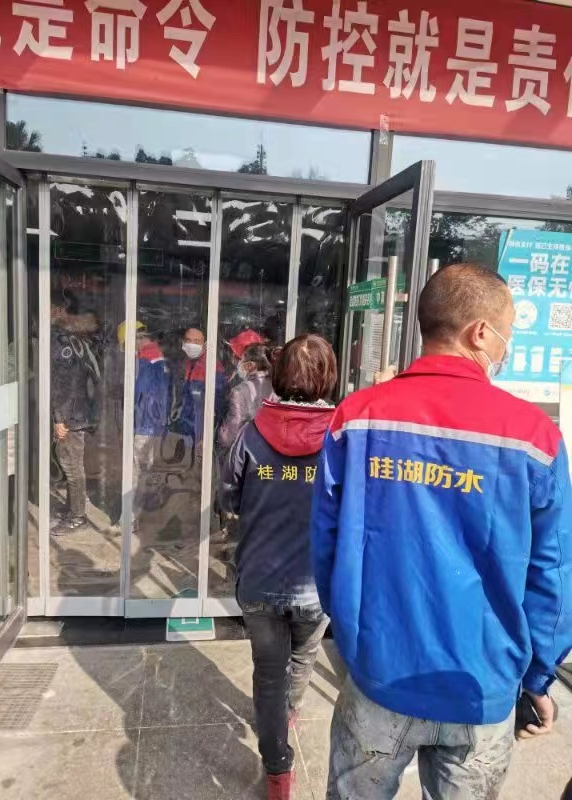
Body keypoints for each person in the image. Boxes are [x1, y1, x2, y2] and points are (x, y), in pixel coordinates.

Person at [312, 263, 572, 800]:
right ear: (480, 332)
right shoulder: (534, 437)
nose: (506, 349)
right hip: (480, 685)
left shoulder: (356, 417)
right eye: (507, 335)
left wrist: (356, 634)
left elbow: (325, 547)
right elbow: (554, 572)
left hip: (379, 671)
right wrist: (538, 677)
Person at [220, 334, 338, 800]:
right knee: (302, 659)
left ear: (279, 374)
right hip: (316, 584)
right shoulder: (341, 438)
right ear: (327, 377)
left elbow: (229, 497)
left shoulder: (250, 434)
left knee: (268, 673)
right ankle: (286, 715)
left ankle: (276, 771)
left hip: (260, 580)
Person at [50, 291, 101, 536]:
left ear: (58, 310)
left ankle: (77, 517)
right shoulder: (74, 338)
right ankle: (73, 508)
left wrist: (60, 418)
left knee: (72, 467)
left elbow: (62, 383)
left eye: (48, 308)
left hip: (71, 414)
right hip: (79, 411)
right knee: (71, 464)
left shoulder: (61, 340)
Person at [118, 321, 171, 530]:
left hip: (143, 424)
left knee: (135, 473)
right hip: (155, 424)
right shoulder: (159, 356)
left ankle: (130, 518)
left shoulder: (145, 359)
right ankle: (140, 515)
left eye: (126, 345)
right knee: (145, 470)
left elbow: (136, 392)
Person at [177, 327, 226, 460]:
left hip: (202, 433)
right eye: (188, 340)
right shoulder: (187, 363)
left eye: (196, 341)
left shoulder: (213, 367)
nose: (191, 344)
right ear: (183, 342)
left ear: (205, 344)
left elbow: (218, 407)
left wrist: (207, 436)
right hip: (188, 429)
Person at [218, 342, 275, 451]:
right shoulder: (279, 386)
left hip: (251, 451)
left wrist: (220, 438)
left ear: (250, 365)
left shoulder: (240, 391)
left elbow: (234, 425)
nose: (239, 364)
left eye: (242, 360)